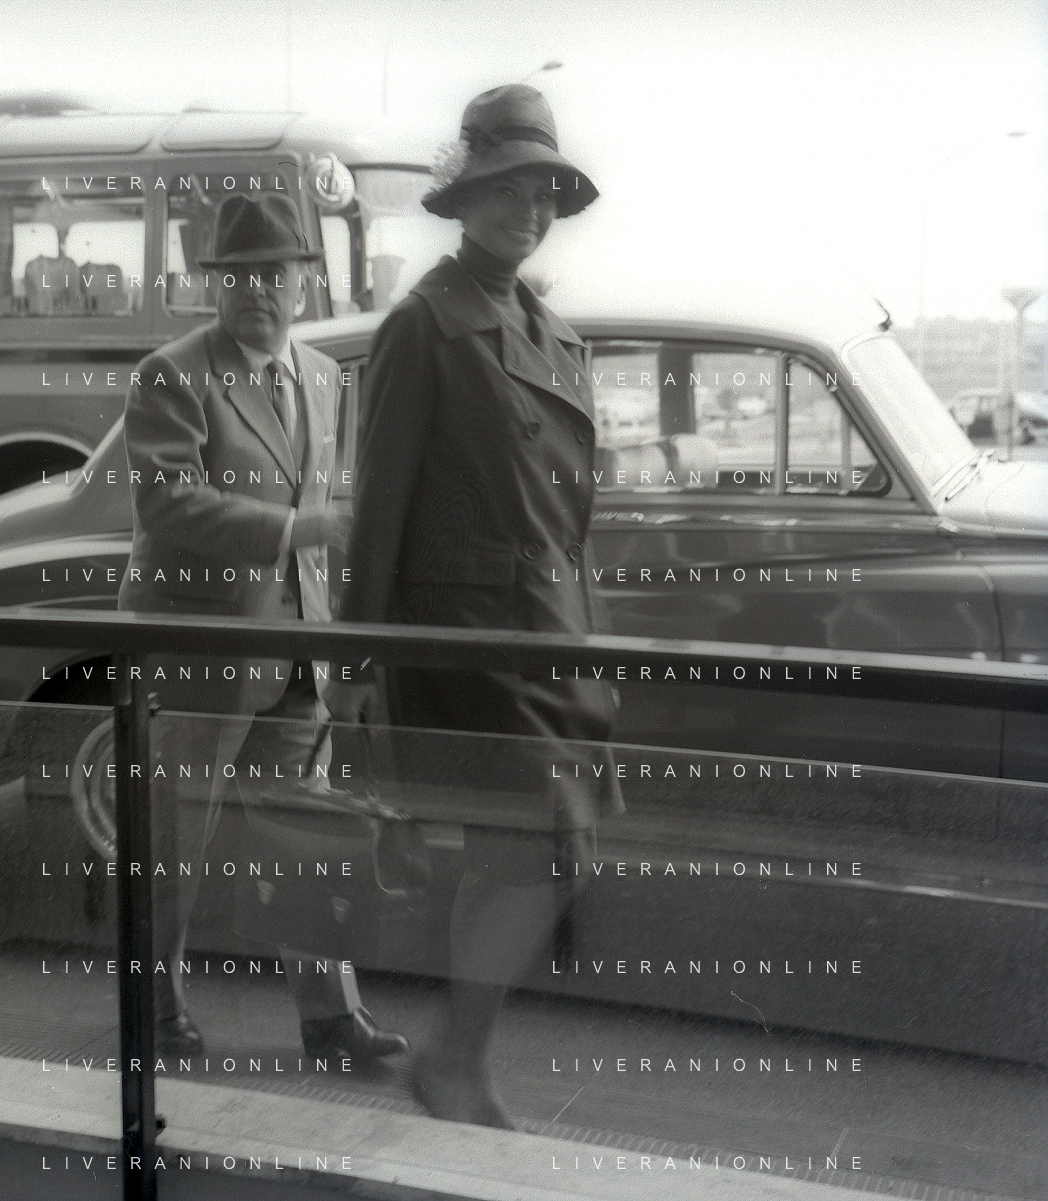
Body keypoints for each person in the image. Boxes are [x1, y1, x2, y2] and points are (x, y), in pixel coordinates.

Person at [327, 84, 622, 1127]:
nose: (527, 211)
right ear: (462, 200)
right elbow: (379, 511)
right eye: (506, 190)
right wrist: (355, 669)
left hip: (550, 639)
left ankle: (459, 1056)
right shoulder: (426, 324)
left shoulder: (547, 327)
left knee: (536, 849)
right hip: (474, 643)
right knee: (536, 846)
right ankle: (458, 1057)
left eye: (543, 193)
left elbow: (566, 519)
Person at [118, 191, 408, 1065]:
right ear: (215, 284)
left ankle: (329, 1018)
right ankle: (154, 1010)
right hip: (200, 657)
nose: (256, 290)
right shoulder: (171, 373)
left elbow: (328, 523)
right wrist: (294, 528)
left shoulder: (321, 375)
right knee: (174, 845)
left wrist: (338, 645)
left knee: (300, 841)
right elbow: (167, 502)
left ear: (302, 282)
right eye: (238, 275)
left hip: (294, 658)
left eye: (273, 273)